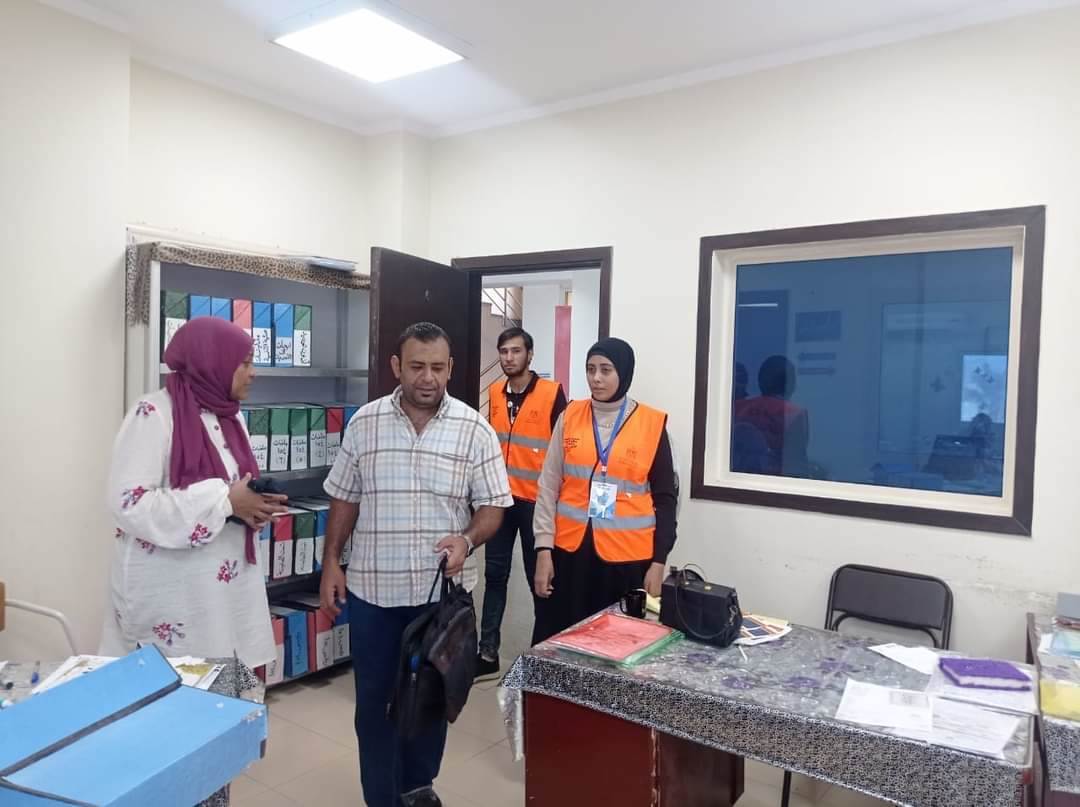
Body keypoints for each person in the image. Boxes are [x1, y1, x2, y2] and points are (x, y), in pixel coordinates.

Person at [318, 322, 512, 807]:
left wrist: (467, 539)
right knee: (374, 706)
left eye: (438, 368)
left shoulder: (474, 429)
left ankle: (418, 787)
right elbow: (344, 498)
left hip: (440, 603)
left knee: (430, 700)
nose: (428, 378)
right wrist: (331, 562)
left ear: (451, 368)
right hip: (373, 594)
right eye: (417, 367)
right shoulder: (365, 423)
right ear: (396, 367)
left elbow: (493, 507)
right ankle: (382, 797)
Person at [101, 317, 288, 666]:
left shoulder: (231, 417)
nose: (253, 373)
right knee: (172, 689)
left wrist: (253, 505)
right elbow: (129, 503)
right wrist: (224, 501)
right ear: (212, 362)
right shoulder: (154, 414)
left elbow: (234, 491)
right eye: (244, 363)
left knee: (223, 685)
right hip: (172, 595)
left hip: (225, 589)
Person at [531, 337, 678, 643]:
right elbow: (548, 486)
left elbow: (666, 499)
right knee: (562, 642)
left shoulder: (651, 424)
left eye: (606, 370)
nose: (596, 378)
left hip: (627, 563)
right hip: (569, 556)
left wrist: (659, 561)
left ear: (624, 372)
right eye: (590, 369)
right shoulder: (570, 416)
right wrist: (543, 550)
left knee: (616, 646)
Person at [476, 327, 567, 680]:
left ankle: (542, 658)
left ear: (530, 355)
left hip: (535, 502)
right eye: (503, 351)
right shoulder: (494, 392)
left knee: (539, 581)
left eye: (515, 351)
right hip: (500, 499)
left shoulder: (551, 393)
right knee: (494, 575)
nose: (509, 357)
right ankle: (487, 652)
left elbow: (562, 450)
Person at [732, 355, 809, 476]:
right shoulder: (795, 413)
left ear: (760, 382)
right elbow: (796, 461)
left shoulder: (737, 407)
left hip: (738, 476)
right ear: (791, 384)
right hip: (773, 480)